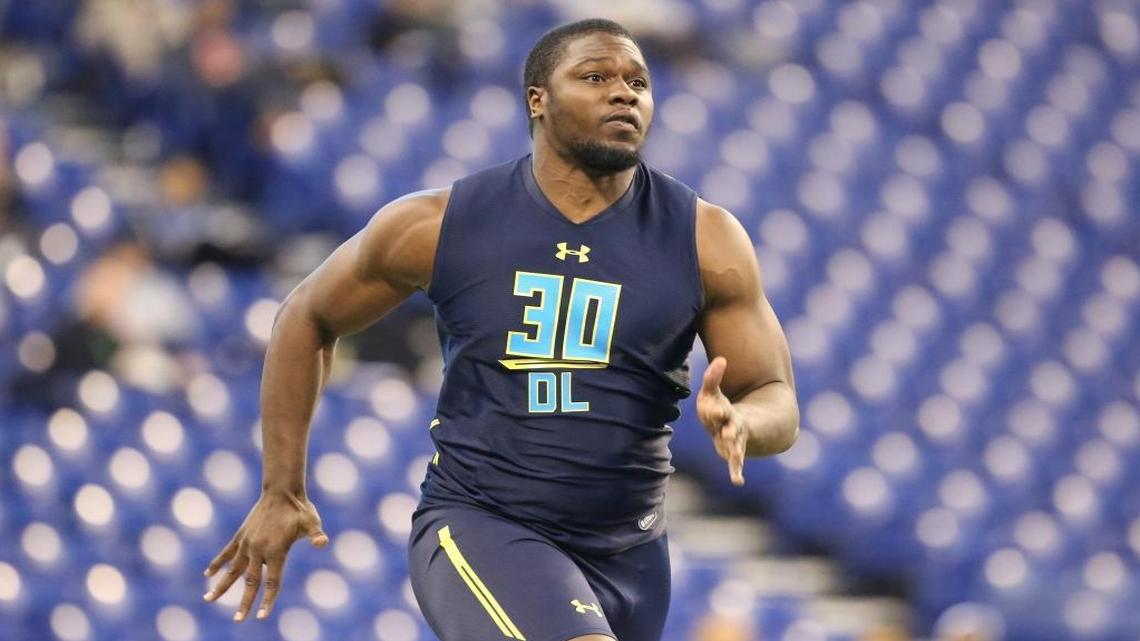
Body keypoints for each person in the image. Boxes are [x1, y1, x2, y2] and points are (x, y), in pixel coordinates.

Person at [203, 18, 799, 641]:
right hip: (484, 525)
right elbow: (306, 315)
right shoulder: (441, 223)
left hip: (632, 554)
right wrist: (281, 488)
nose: (625, 93)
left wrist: (744, 425)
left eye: (638, 82)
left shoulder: (704, 237)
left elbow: (774, 397)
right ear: (537, 99)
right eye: (596, 77)